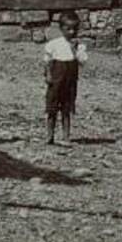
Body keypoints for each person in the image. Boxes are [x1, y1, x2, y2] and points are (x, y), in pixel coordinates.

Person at [43, 14, 87, 145]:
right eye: (68, 29)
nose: (72, 32)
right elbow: (47, 61)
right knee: (52, 108)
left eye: (75, 29)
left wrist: (75, 50)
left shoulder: (79, 46)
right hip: (57, 78)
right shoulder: (54, 44)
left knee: (66, 108)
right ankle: (49, 136)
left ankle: (66, 136)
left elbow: (83, 61)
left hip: (70, 80)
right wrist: (48, 75)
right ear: (61, 29)